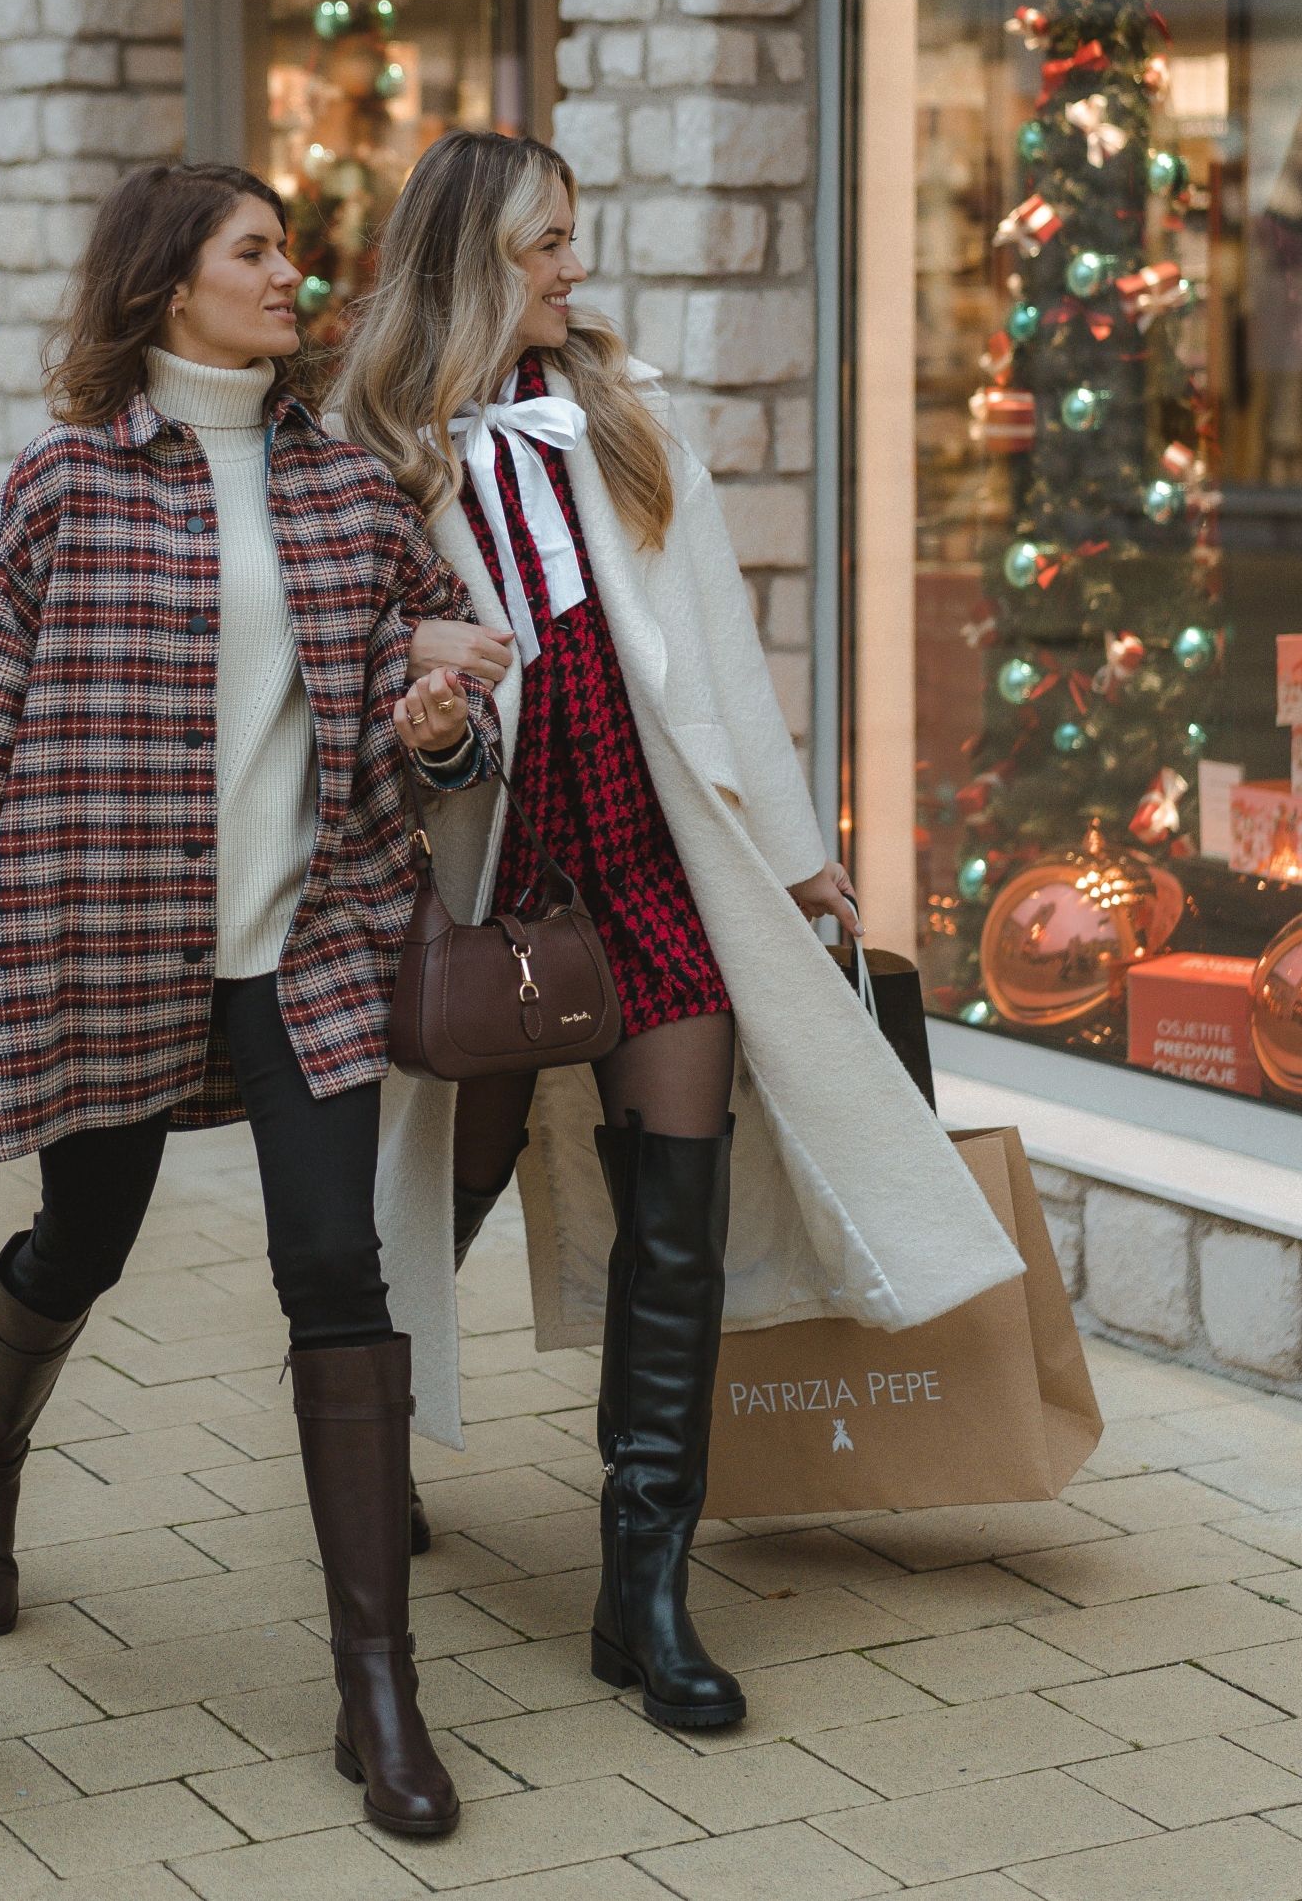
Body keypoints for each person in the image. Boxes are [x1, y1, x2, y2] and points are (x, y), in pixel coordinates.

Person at [336, 129, 1022, 1732]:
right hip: (488, 873)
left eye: (575, 239)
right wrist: (428, 722)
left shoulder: (621, 415)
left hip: (650, 856)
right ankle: (362, 1431)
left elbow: (713, 646)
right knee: (453, 1165)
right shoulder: (367, 443)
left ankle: (643, 1585)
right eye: (545, 245)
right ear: (469, 261)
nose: (574, 267)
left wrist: (789, 855)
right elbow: (349, 683)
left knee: (680, 1196)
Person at [0, 162, 497, 1842]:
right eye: (255, 251)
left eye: (288, 250)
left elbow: (399, 727)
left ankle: (378, 1687)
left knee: (333, 1266)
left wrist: (435, 726)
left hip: (307, 942)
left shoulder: (344, 488)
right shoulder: (64, 484)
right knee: (84, 1239)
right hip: (108, 942)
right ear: (165, 284)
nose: (293, 275)